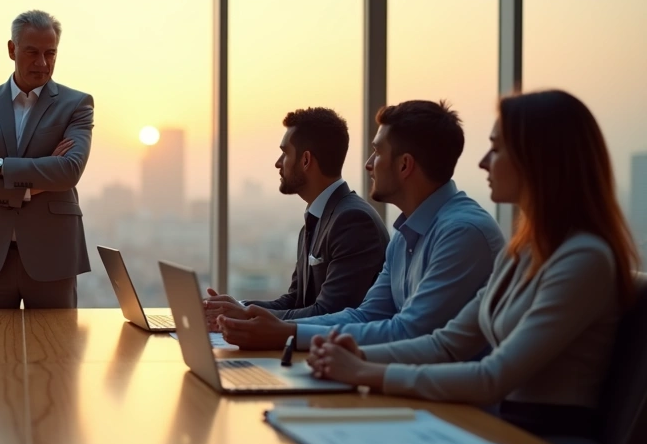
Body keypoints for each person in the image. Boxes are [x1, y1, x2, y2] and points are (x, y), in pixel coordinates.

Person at [308, 90, 639, 437]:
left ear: (538, 160)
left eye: (496, 149)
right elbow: (446, 345)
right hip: (498, 431)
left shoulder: (584, 259)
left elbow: (492, 377)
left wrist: (363, 371)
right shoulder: (524, 252)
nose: (483, 161)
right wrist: (355, 354)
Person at [212, 100, 505, 350]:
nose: (368, 164)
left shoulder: (462, 233)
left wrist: (284, 332)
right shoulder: (406, 236)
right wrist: (264, 322)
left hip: (456, 409)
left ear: (404, 165)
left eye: (377, 152)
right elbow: (366, 316)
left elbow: (409, 332)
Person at [0, 9, 94, 308]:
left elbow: (68, 171)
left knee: (56, 350)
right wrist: (32, 186)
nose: (42, 63)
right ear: (12, 49)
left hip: (54, 254)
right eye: (32, 52)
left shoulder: (77, 104)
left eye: (50, 53)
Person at [204, 107, 387, 320]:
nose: (278, 163)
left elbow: (328, 313)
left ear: (306, 160)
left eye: (285, 152)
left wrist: (245, 315)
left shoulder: (353, 221)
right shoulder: (317, 219)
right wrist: (236, 307)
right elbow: (295, 300)